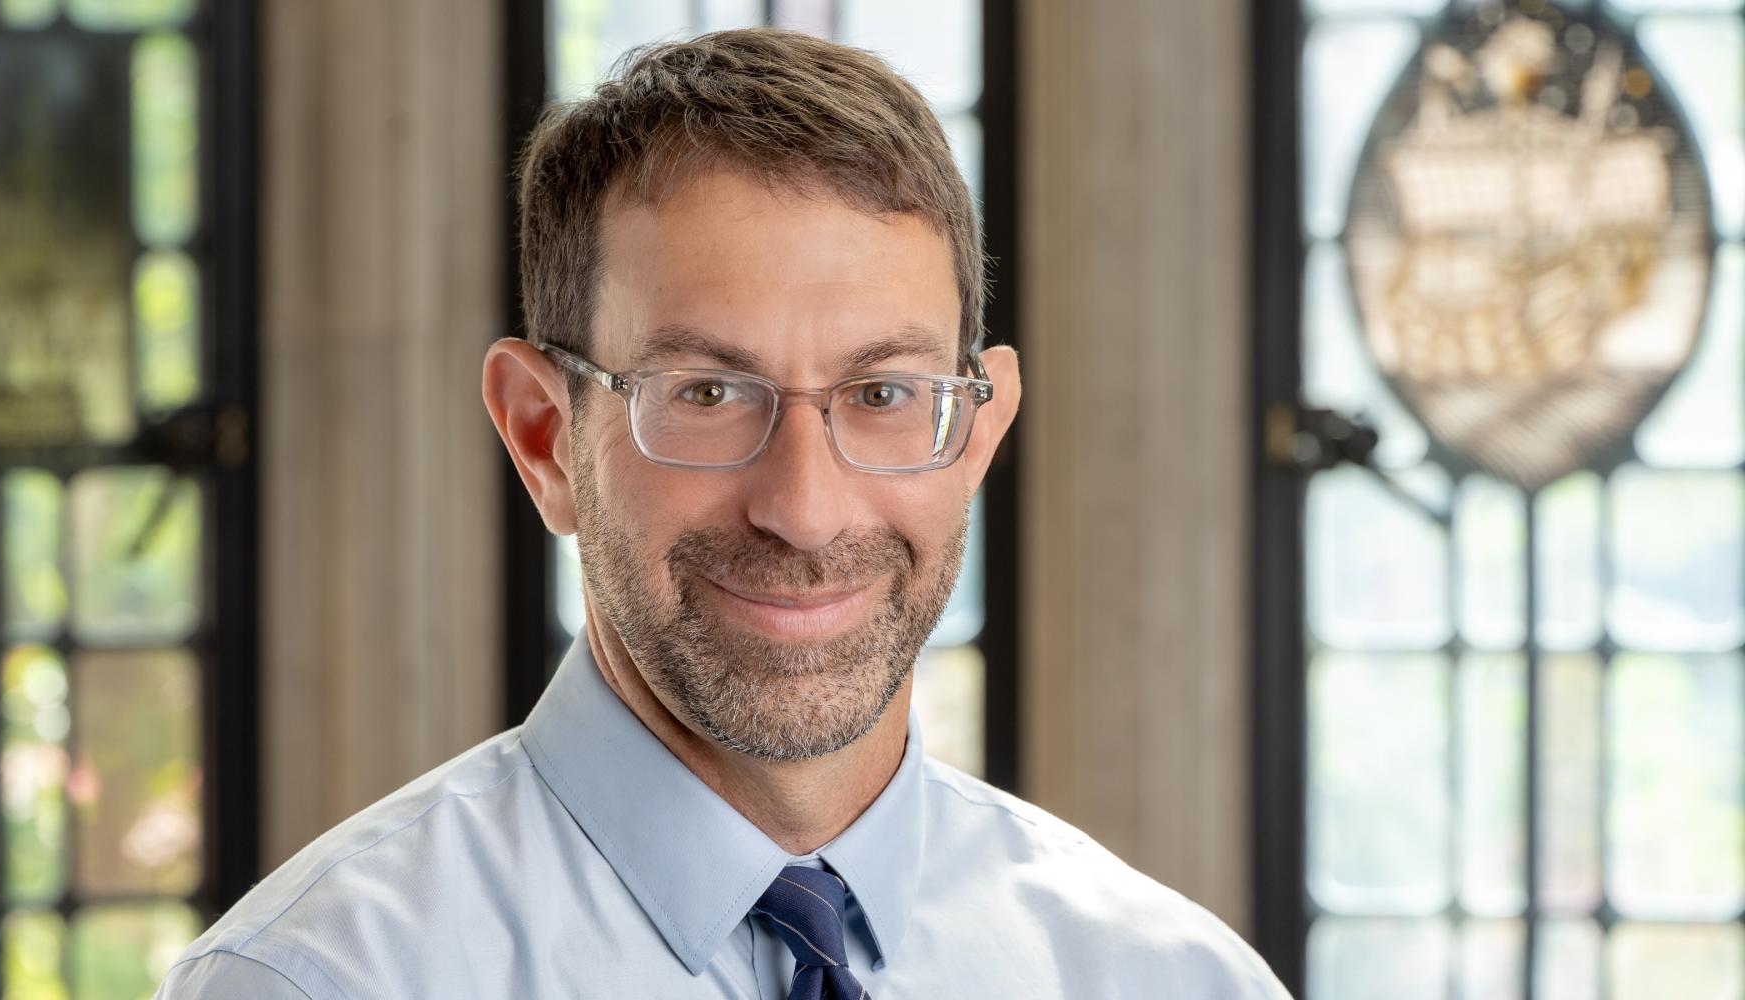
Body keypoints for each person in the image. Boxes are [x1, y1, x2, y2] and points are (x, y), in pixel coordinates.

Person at [160, 27, 1291, 999]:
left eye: (884, 393)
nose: (803, 508)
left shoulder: (1173, 977)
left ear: (977, 433)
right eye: (704, 393)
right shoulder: (318, 978)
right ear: (543, 437)